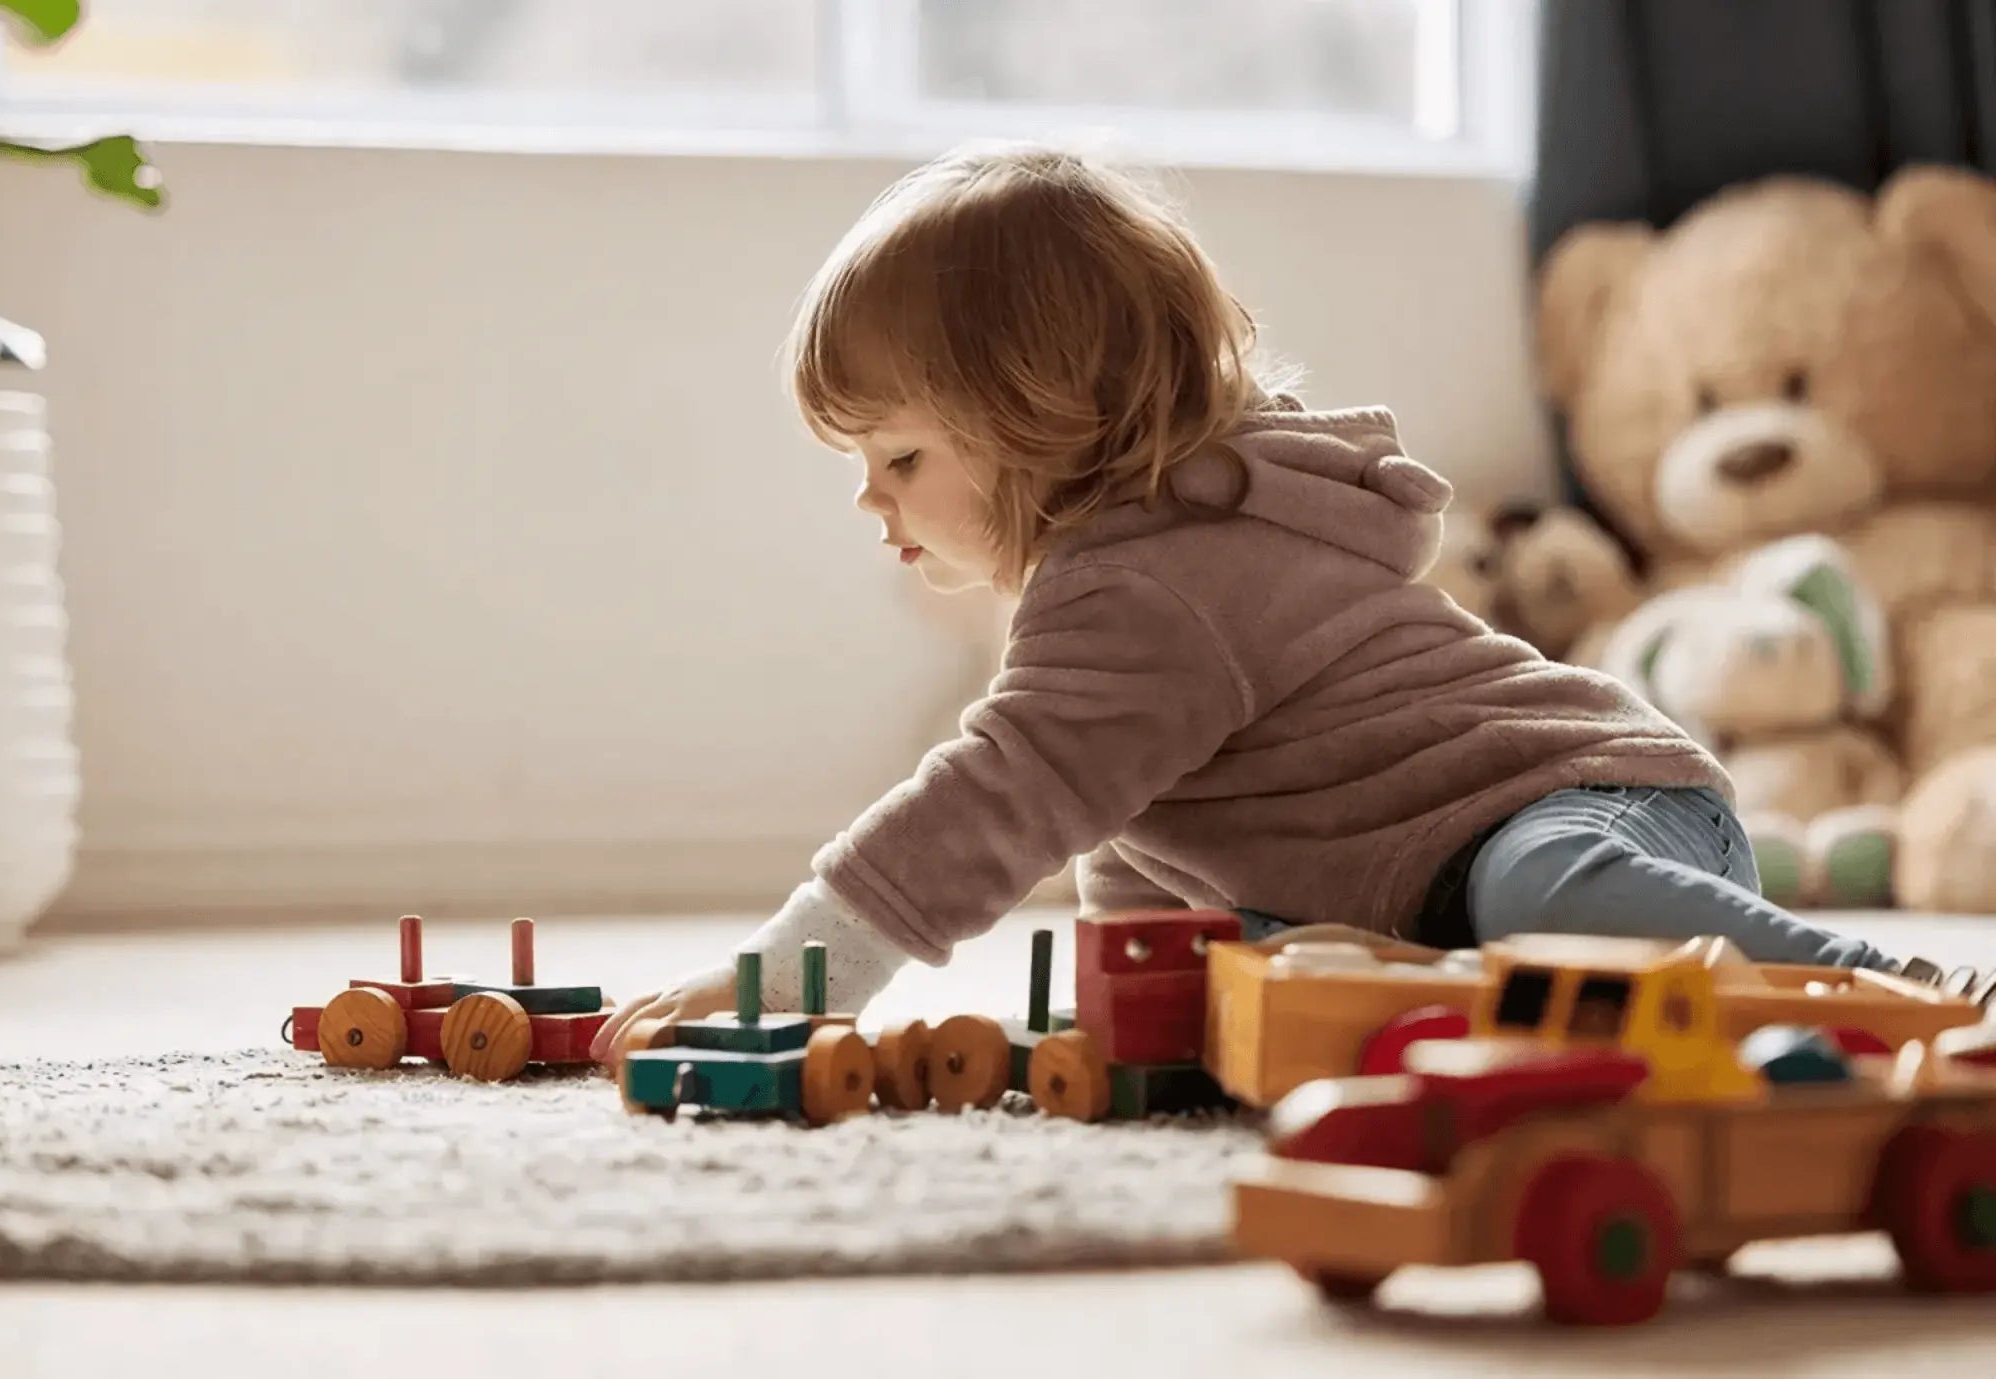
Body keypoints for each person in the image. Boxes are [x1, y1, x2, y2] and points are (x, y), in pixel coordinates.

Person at [591, 141, 1987, 1065]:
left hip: (1583, 804)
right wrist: (1125, 1036)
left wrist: (795, 979)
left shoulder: (1148, 580)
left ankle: (1898, 990)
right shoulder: (1129, 582)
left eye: (901, 457)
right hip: (1438, 879)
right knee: (1290, 978)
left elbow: (1000, 798)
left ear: (1045, 420)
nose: (872, 502)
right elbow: (1128, 841)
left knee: (1526, 892)